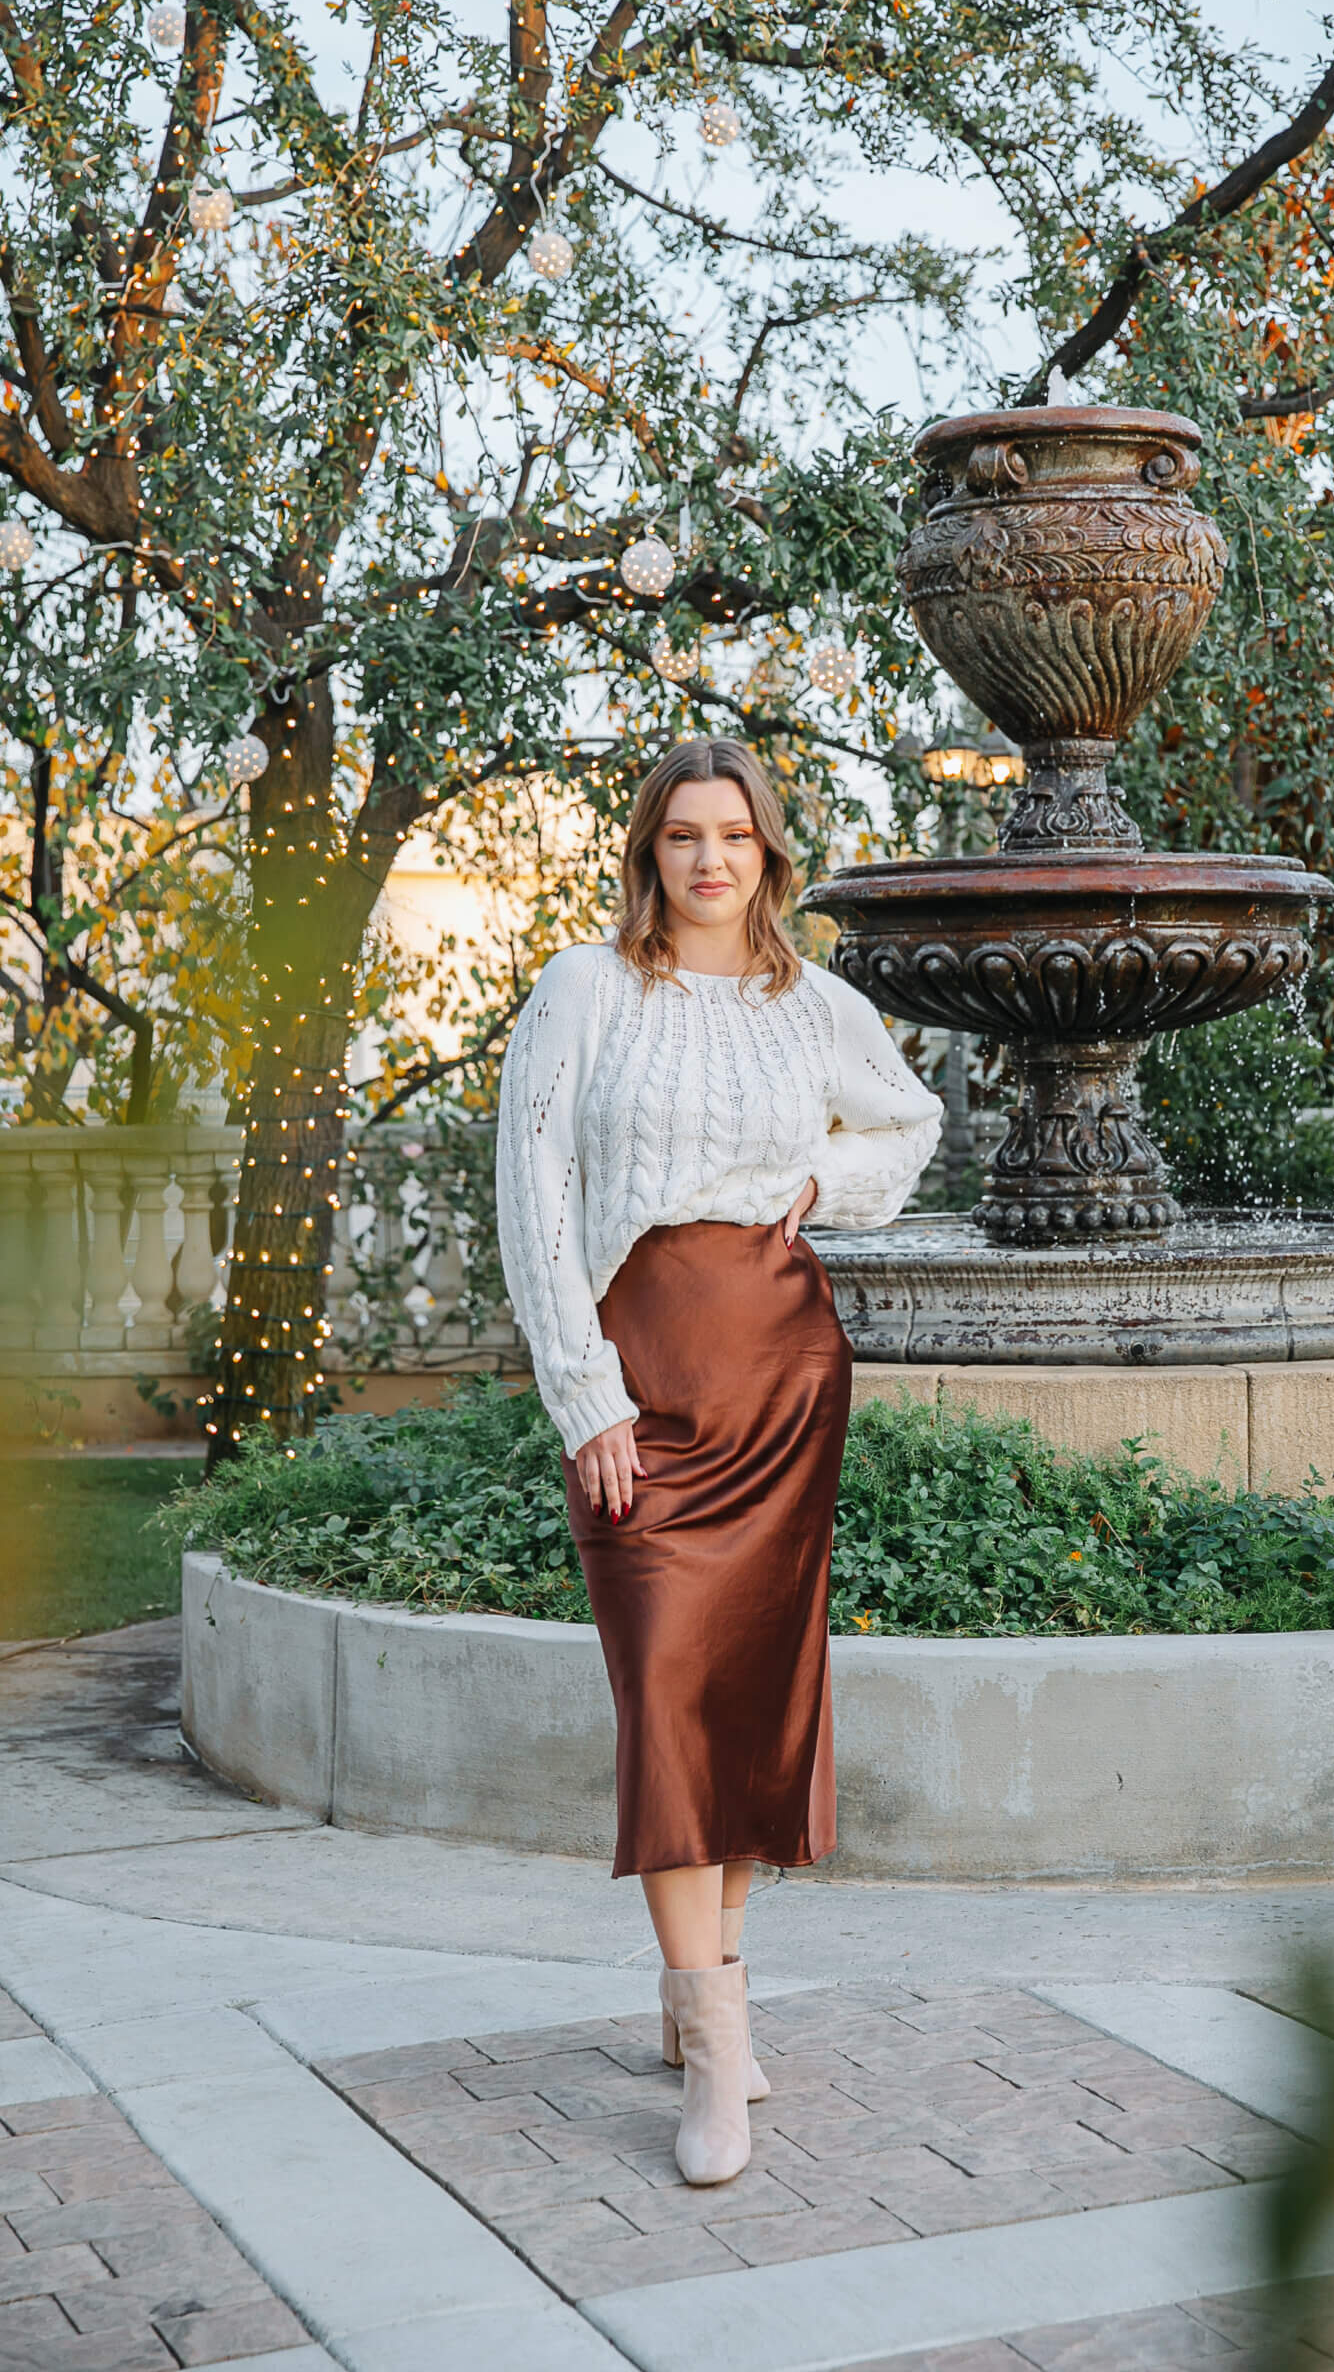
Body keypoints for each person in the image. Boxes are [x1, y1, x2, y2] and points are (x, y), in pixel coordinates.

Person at [496, 735, 941, 2187]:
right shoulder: (584, 989)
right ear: (649, 853)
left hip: (782, 1381)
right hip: (642, 1389)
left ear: (766, 855)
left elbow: (912, 1122)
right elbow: (536, 1190)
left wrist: (822, 1182)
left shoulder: (811, 1004)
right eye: (682, 836)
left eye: (733, 838)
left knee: (745, 1698)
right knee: (667, 1690)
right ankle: (714, 2034)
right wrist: (585, 1396)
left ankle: (713, 2005)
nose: (707, 860)